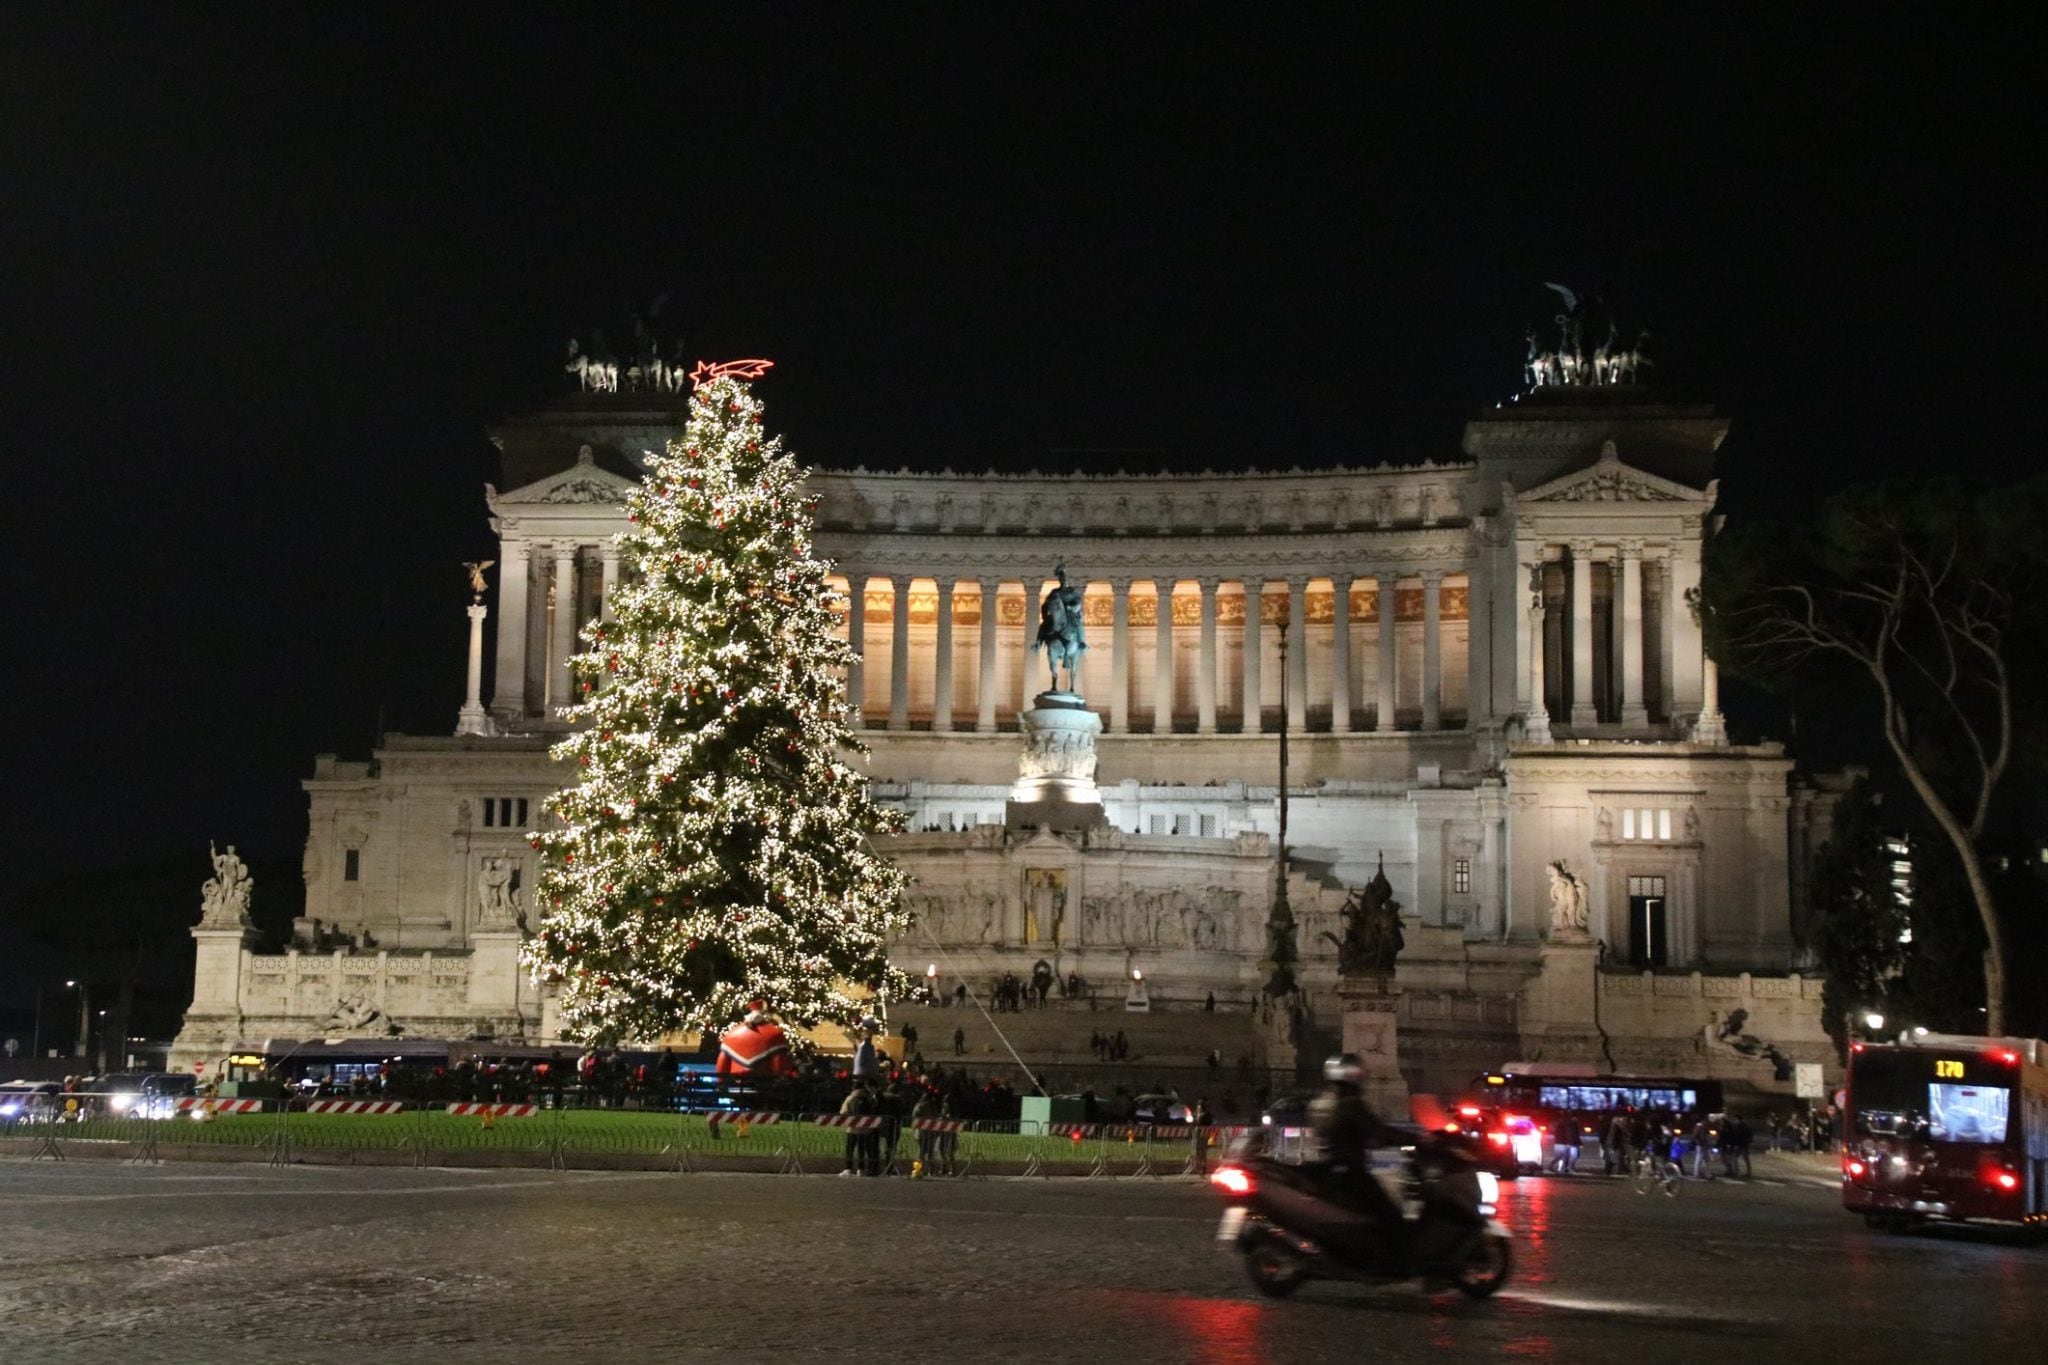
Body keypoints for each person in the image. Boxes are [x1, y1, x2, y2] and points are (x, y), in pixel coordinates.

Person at [1305, 1054, 1410, 1274]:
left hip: (1337, 1167)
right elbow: (1377, 1130)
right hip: (1350, 1171)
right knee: (1390, 1211)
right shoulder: (1350, 1105)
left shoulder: (1330, 1102)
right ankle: (1397, 1260)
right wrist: (1416, 1139)